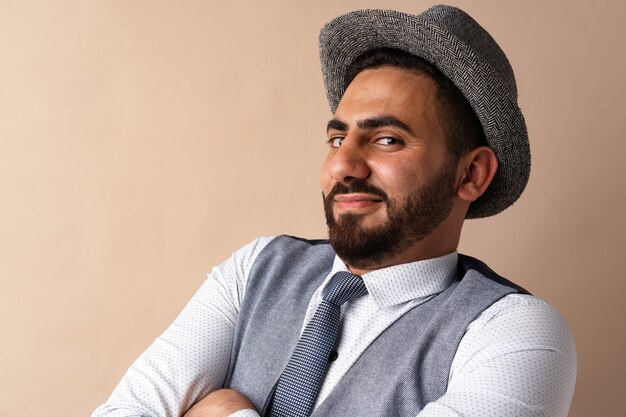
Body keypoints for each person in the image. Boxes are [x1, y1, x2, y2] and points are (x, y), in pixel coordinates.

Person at [93, 5, 576, 417]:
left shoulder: (515, 334)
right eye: (337, 138)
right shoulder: (254, 269)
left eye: (387, 139)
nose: (342, 164)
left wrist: (225, 410)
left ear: (471, 175)